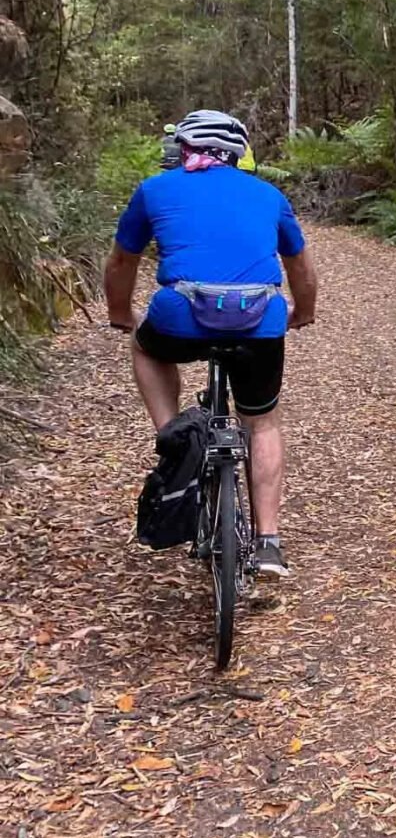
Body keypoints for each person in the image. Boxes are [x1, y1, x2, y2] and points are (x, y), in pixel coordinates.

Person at [104, 110, 317, 577]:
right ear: (238, 155)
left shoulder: (155, 190)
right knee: (262, 425)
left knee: (145, 344)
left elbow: (123, 262)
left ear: (183, 149)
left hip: (181, 316)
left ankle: (176, 435)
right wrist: (303, 311)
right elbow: (300, 268)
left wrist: (121, 313)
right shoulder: (268, 194)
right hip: (258, 321)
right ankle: (268, 544)